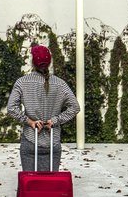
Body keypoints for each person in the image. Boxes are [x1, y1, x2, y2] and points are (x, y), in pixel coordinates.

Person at [7, 44, 80, 172]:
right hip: (53, 141)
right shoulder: (60, 84)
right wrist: (55, 120)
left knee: (30, 183)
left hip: (30, 139)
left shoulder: (22, 82)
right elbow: (75, 107)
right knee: (50, 186)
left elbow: (12, 108)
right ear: (50, 62)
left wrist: (29, 122)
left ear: (32, 62)